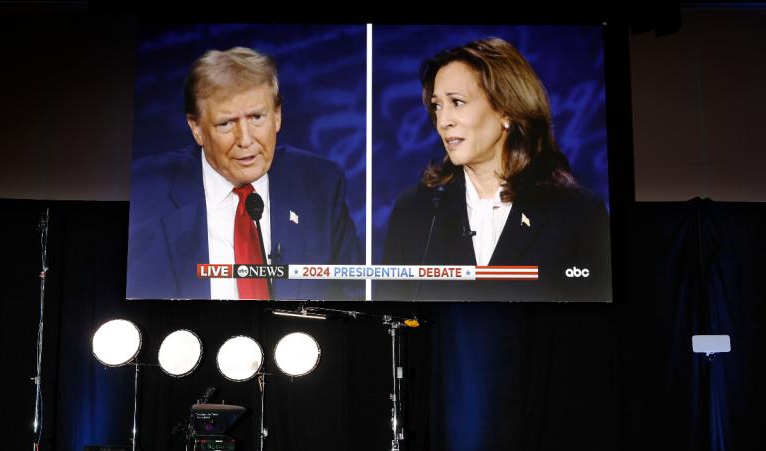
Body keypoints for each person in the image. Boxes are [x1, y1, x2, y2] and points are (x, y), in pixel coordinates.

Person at [378, 38, 611, 301]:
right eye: (437, 106)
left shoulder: (577, 214)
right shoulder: (415, 210)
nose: (443, 121)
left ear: (506, 110)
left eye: (457, 102)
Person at [127, 46, 363, 300]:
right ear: (196, 128)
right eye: (226, 123)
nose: (246, 140)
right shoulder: (147, 193)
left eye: (256, 117)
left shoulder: (320, 185)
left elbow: (352, 296)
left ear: (277, 116)